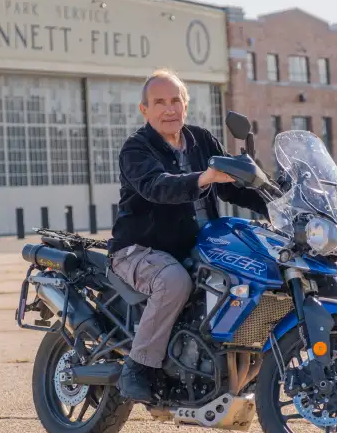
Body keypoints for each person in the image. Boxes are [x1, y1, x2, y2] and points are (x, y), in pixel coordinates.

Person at [108, 68, 268, 402]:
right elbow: (157, 187)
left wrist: (277, 200)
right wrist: (204, 178)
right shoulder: (136, 150)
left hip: (197, 246)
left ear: (186, 104)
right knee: (174, 282)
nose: (169, 109)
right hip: (140, 249)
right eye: (159, 102)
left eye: (175, 100)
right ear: (145, 110)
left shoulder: (202, 140)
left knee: (255, 269)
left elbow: (233, 189)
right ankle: (138, 367)